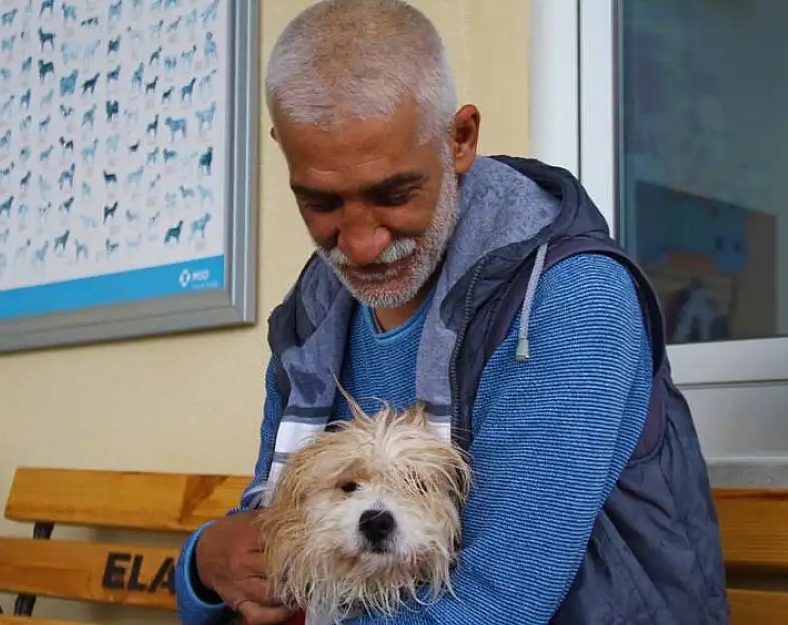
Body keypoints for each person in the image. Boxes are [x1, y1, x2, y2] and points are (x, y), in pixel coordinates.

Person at [174, 1, 730, 623]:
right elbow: (278, 538)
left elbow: (496, 603)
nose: (359, 244)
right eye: (322, 202)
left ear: (460, 138)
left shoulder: (570, 299)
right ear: (285, 151)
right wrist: (203, 564)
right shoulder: (316, 314)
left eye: (394, 194)